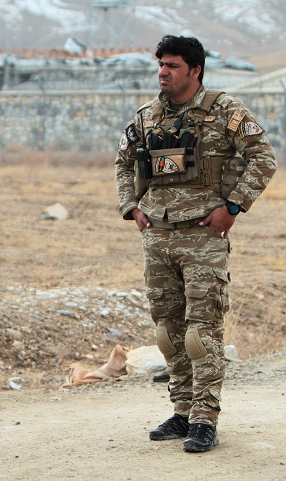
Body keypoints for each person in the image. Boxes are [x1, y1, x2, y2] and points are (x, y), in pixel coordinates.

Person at [114, 35, 276, 453]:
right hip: (159, 237)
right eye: (161, 66)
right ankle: (183, 410)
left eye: (172, 66)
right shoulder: (147, 117)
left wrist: (234, 207)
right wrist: (131, 206)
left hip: (203, 236)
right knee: (169, 333)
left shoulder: (224, 110)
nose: (163, 73)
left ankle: (205, 418)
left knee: (201, 334)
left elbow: (264, 158)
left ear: (195, 71)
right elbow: (124, 162)